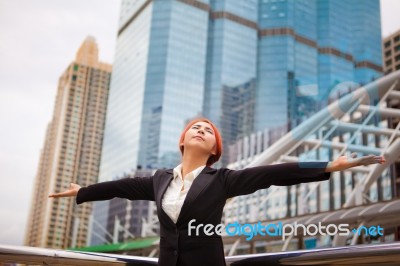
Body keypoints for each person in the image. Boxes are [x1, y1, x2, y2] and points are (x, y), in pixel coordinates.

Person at [49, 117, 386, 266]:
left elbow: (272, 173)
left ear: (214, 149)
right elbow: (120, 187)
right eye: (195, 128)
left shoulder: (222, 179)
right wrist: (84, 191)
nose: (200, 130)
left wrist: (328, 165)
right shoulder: (158, 179)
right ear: (182, 141)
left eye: (208, 130)